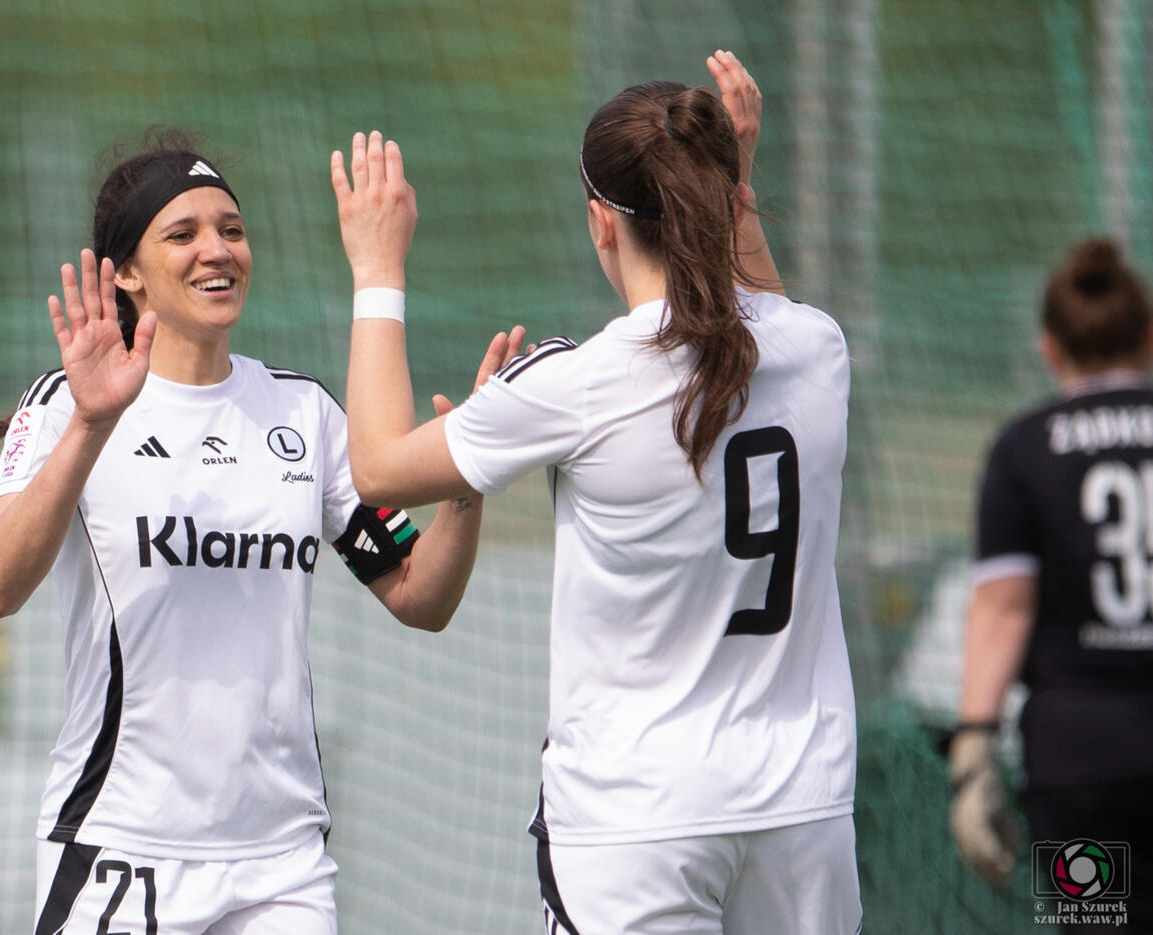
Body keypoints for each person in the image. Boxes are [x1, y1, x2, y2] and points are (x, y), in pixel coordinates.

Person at [329, 52, 862, 935]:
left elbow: (379, 468)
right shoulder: (820, 347)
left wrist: (376, 266)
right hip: (802, 810)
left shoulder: (578, 384)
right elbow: (764, 307)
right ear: (726, 203)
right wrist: (739, 180)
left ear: (600, 224)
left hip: (637, 818)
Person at [0, 128, 507, 935]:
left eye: (232, 229)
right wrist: (91, 423)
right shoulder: (69, 401)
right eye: (182, 234)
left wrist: (465, 487)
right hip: (123, 849)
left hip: (280, 863)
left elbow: (420, 594)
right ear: (130, 275)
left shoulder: (303, 415)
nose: (217, 250)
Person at [951, 237, 1153, 931]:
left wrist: (974, 745)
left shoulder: (1023, 446)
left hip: (1076, 765)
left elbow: (1003, 607)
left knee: (1096, 923)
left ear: (1049, 348)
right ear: (1148, 336)